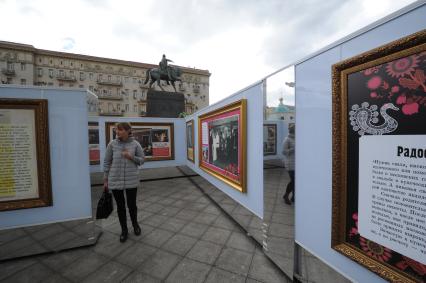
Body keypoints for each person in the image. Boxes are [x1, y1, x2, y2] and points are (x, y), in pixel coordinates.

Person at [103, 122, 145, 242]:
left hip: (132, 180)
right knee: (120, 207)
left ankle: (135, 225)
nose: (117, 132)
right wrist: (105, 179)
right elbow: (106, 162)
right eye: (117, 130)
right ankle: (124, 230)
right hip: (115, 179)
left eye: (120, 130)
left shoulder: (135, 144)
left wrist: (131, 156)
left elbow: (142, 160)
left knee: (132, 205)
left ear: (128, 131)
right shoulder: (112, 144)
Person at [282, 123, 295, 205]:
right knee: (294, 181)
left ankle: (294, 197)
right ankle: (286, 196)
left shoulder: (297, 138)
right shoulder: (286, 139)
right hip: (290, 164)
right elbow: (284, 152)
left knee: (296, 182)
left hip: (297, 164)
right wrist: (293, 149)